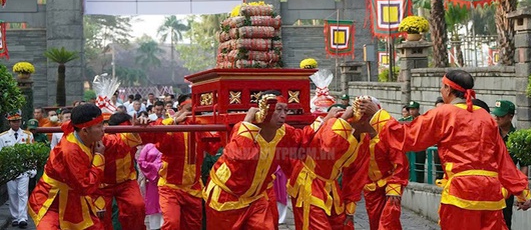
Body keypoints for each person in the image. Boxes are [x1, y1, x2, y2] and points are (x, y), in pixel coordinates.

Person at [358, 70, 531, 230]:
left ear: (448, 89)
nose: (441, 91)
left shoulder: (444, 113)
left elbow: (407, 137)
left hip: (462, 192)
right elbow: (503, 159)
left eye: (442, 87)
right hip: (491, 195)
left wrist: (378, 115)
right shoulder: (486, 117)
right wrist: (522, 192)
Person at [203, 91, 315, 230]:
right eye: (278, 109)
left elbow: (302, 138)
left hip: (257, 197)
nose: (283, 115)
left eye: (286, 110)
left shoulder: (284, 131)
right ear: (264, 111)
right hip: (228, 196)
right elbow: (240, 155)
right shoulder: (243, 128)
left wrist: (326, 121)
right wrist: (248, 121)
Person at [140, 94, 221, 230]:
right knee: (171, 223)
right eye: (189, 110)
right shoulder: (169, 126)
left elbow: (213, 146)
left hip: (193, 188)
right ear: (179, 107)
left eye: (196, 111)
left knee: (194, 226)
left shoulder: (198, 127)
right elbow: (154, 135)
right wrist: (174, 122)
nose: (192, 114)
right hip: (170, 187)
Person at [287, 106, 368, 230]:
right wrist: (344, 119)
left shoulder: (364, 139)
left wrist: (350, 205)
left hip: (331, 185)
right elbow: (328, 147)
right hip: (310, 183)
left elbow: (357, 175)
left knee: (342, 225)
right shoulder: (332, 123)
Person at [28, 104, 107, 230]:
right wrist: (99, 157)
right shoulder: (70, 151)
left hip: (75, 197)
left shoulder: (89, 135)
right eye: (99, 126)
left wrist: (140, 127)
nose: (104, 129)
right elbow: (85, 186)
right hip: (53, 198)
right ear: (85, 130)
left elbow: (119, 141)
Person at [358, 99, 410, 230]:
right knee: (374, 222)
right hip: (370, 188)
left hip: (389, 184)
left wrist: (394, 187)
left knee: (388, 223)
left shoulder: (386, 135)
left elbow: (400, 162)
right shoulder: (360, 138)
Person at [97, 112, 145, 230]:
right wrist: (134, 131)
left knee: (137, 206)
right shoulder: (102, 137)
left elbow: (155, 134)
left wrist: (145, 123)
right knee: (101, 216)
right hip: (101, 184)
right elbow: (119, 141)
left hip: (127, 181)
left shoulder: (132, 134)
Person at [491, 100, 529, 230]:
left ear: (510, 116)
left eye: (500, 116)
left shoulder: (517, 138)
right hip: (489, 183)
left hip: (507, 186)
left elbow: (524, 166)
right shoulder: (490, 134)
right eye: (495, 115)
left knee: (505, 221)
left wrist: (522, 192)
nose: (497, 118)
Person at [0, 111, 35, 229]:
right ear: (9, 122)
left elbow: (32, 153)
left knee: (23, 193)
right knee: (12, 193)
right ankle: (15, 217)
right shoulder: (3, 137)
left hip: (24, 169)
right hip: (10, 170)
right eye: (14, 121)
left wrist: (32, 168)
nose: (16, 123)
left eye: (18, 121)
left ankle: (22, 217)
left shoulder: (28, 135)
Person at [138, 143, 164, 230]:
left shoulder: (170, 143)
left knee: (168, 212)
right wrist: (158, 168)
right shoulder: (148, 146)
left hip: (168, 181)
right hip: (152, 183)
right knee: (154, 213)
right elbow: (141, 162)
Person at [406, 100, 426, 183]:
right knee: (409, 164)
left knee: (419, 165)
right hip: (409, 146)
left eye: (413, 109)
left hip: (420, 146)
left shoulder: (423, 119)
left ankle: (419, 181)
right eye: (410, 109)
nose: (411, 111)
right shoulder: (406, 120)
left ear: (418, 110)